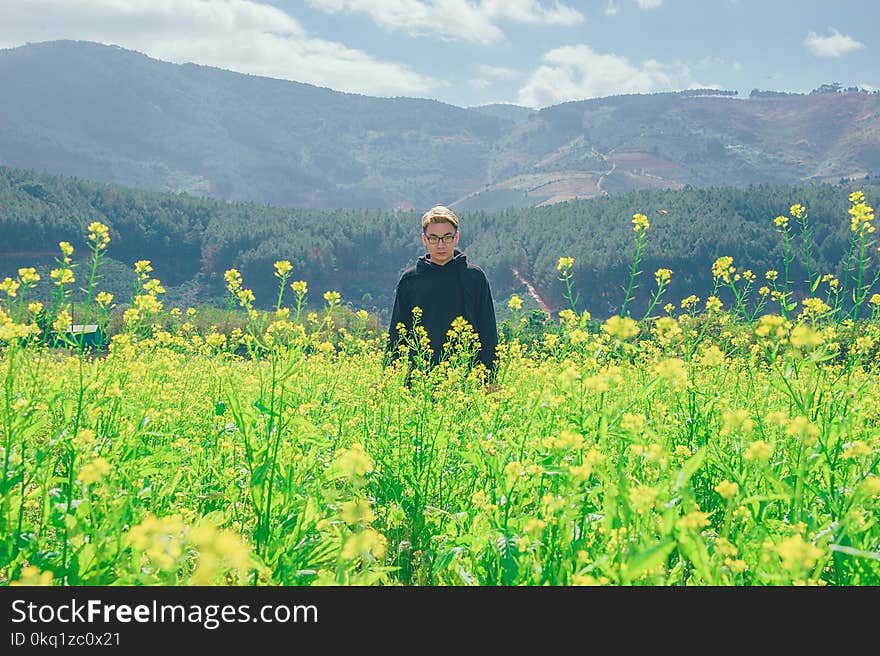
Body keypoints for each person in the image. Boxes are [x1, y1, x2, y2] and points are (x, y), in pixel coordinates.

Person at [386, 205, 499, 386]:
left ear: (457, 237)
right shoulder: (410, 280)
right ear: (424, 239)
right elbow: (397, 334)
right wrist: (387, 379)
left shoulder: (474, 277)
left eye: (447, 237)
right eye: (434, 238)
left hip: (466, 381)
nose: (441, 245)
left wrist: (491, 380)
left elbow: (488, 332)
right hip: (420, 381)